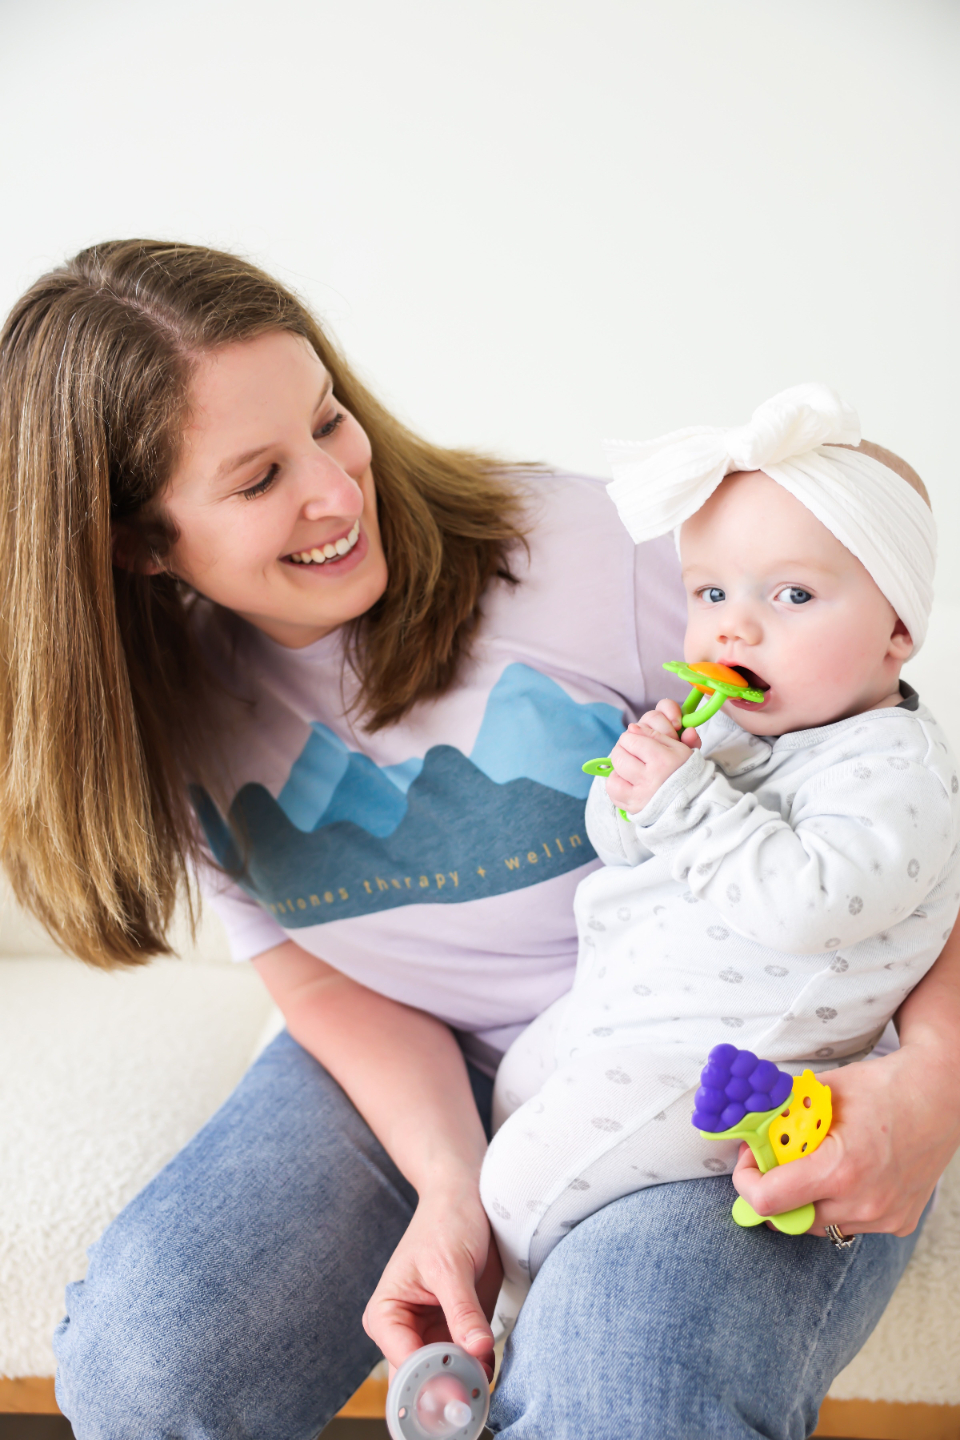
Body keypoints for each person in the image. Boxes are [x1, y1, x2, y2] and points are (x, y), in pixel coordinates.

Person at [0, 243, 957, 1440]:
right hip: (429, 1068)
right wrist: (454, 1183)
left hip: (717, 1048)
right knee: (147, 1371)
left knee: (628, 1398)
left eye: (328, 419)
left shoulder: (596, 552)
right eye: (258, 480)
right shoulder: (156, 711)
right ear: (138, 542)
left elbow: (902, 805)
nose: (337, 491)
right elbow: (321, 979)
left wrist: (935, 1084)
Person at [479, 386, 959, 1296]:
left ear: (897, 629)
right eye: (710, 592)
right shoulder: (733, 729)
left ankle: (504, 1321)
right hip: (624, 1008)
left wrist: (688, 800)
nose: (734, 625)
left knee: (516, 1180)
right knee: (513, 1087)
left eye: (793, 594)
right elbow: (625, 850)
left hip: (729, 1055)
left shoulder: (897, 773)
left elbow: (808, 906)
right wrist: (634, 787)